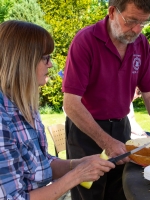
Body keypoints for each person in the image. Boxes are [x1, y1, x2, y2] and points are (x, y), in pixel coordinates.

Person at [62, 0, 150, 199]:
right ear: (112, 12)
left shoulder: (141, 44)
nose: (136, 30)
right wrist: (106, 141)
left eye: (143, 23)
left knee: (121, 190)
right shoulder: (85, 40)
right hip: (86, 131)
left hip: (121, 127)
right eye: (131, 21)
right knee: (89, 193)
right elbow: (71, 102)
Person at [0, 20, 115, 200]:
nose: (51, 64)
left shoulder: (26, 106)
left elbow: (42, 164)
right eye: (45, 57)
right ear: (24, 60)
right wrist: (76, 176)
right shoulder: (2, 119)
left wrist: (79, 164)